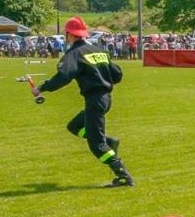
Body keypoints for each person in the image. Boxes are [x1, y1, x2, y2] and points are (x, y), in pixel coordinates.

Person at [34, 16, 133, 187]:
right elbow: (117, 74)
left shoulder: (74, 53)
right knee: (74, 126)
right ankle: (108, 141)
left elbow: (63, 76)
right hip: (105, 99)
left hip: (95, 100)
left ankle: (123, 175)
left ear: (69, 35)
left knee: (96, 145)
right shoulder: (98, 50)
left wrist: (42, 88)